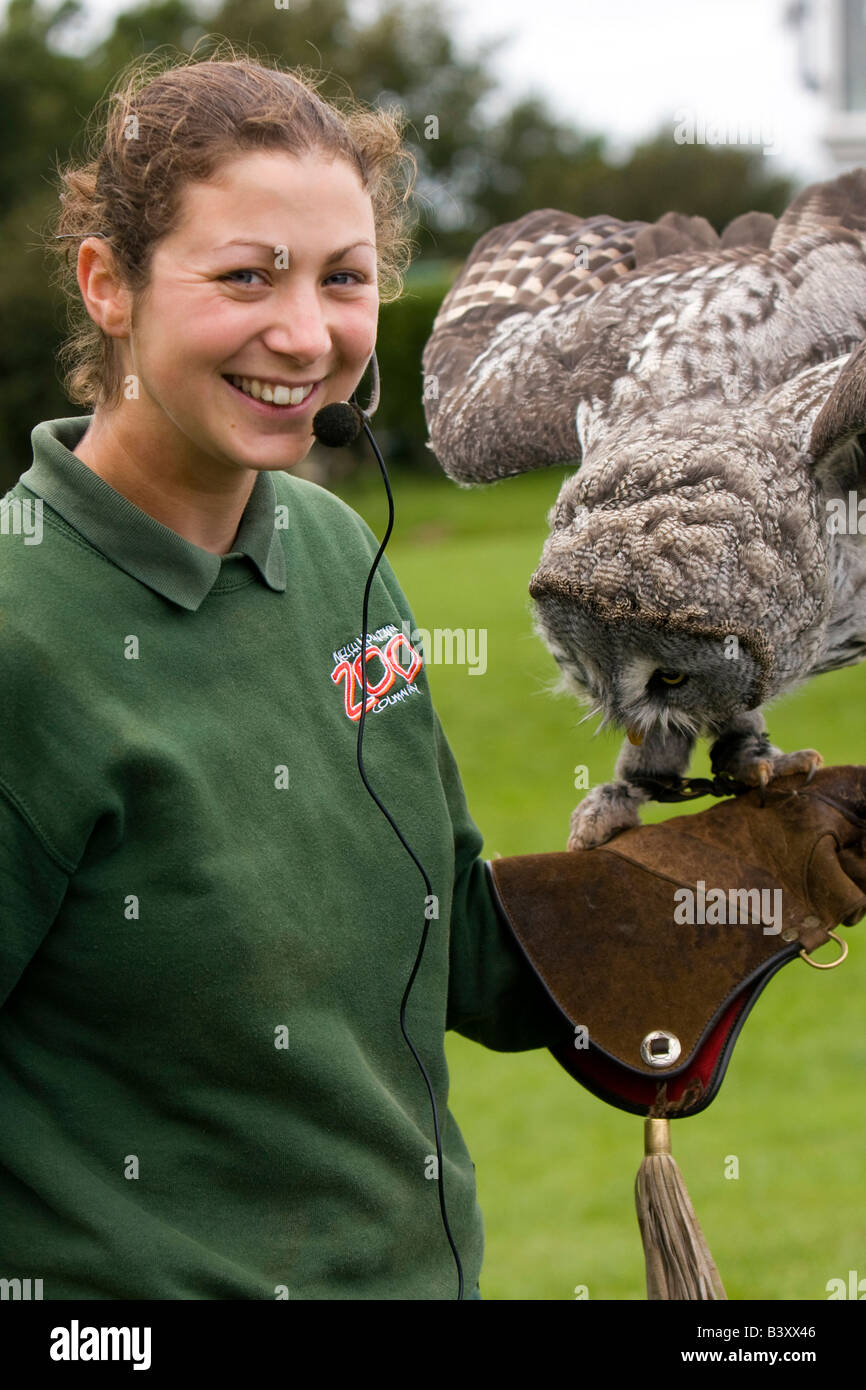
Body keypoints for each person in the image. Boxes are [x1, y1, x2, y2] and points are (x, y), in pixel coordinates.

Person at [0, 43, 571, 1301]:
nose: (304, 334)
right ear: (108, 285)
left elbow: (450, 936)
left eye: (345, 278)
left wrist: (721, 892)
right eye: (245, 276)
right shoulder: (19, 625)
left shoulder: (331, 550)